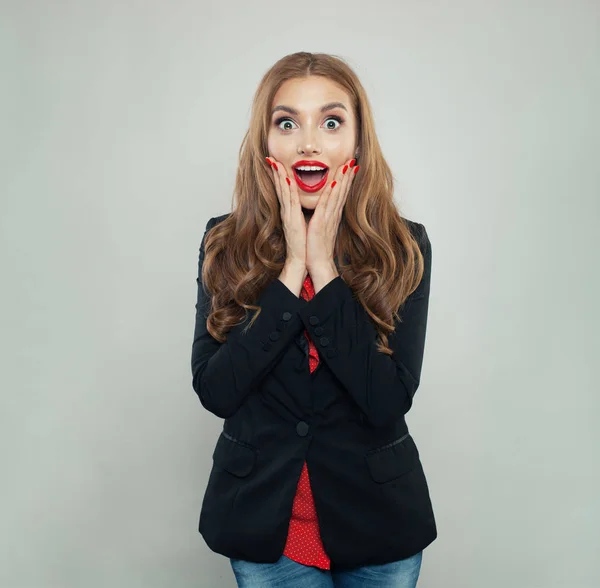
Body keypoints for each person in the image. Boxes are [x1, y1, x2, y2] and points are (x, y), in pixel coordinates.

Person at [191, 51, 436, 587]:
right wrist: (291, 270)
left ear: (356, 141)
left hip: (377, 527)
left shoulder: (405, 246)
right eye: (287, 123)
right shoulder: (223, 243)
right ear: (265, 143)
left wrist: (323, 271)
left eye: (331, 122)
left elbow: (386, 400)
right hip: (268, 531)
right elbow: (216, 391)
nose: (309, 142)